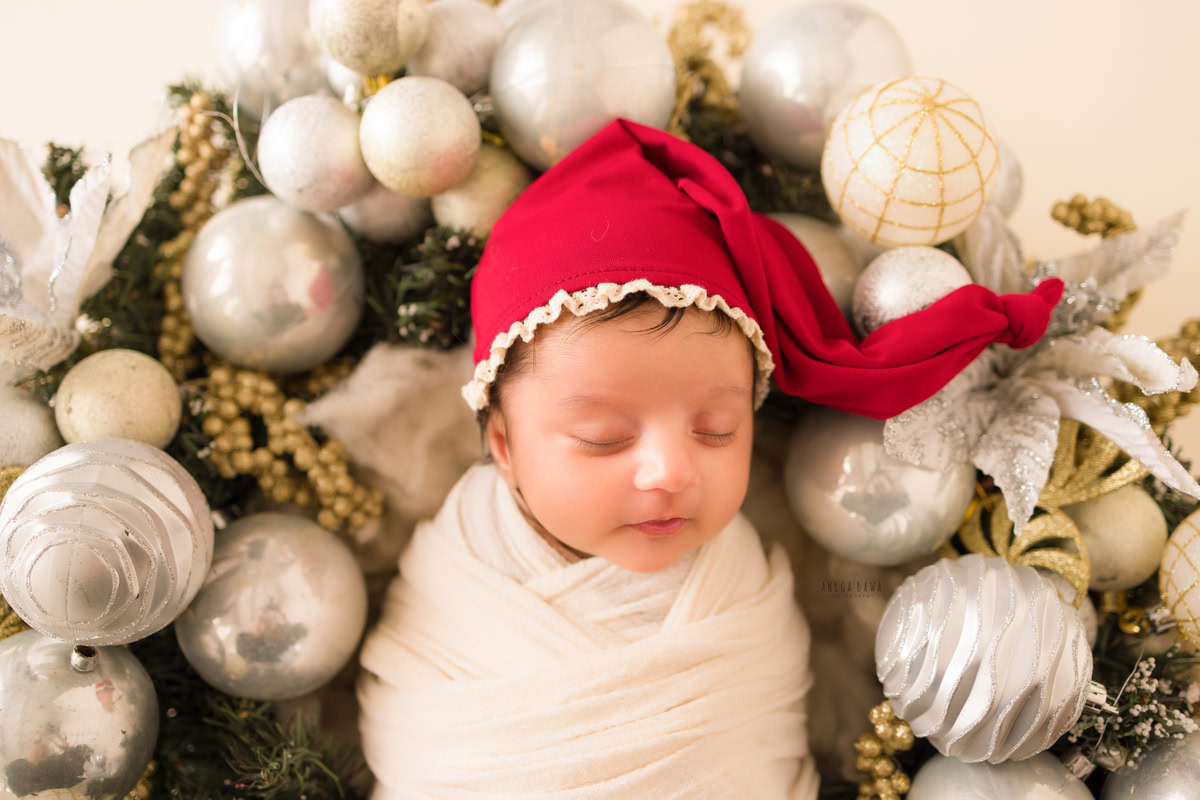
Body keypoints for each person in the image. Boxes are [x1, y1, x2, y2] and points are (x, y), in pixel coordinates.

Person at [355, 117, 1063, 799]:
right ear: (504, 446)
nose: (671, 471)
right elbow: (421, 751)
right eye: (604, 436)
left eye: (717, 428)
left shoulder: (739, 590)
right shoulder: (457, 579)